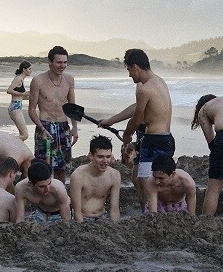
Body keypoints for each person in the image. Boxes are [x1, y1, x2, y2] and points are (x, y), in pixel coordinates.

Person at [98, 49, 174, 212]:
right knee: (138, 178)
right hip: (164, 139)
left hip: (154, 141)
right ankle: (150, 211)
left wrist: (126, 136)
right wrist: (111, 120)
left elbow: (138, 118)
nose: (129, 75)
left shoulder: (144, 88)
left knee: (148, 182)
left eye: (129, 70)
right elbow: (138, 107)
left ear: (135, 67)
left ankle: (152, 214)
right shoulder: (158, 82)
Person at [28, 46, 78, 183]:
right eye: (59, 62)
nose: (62, 66)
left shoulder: (69, 80)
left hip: (63, 125)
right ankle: (43, 199)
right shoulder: (38, 80)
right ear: (50, 62)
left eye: (65, 62)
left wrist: (74, 127)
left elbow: (72, 107)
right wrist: (42, 129)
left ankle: (59, 197)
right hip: (44, 124)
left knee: (62, 167)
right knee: (43, 167)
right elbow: (31, 110)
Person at [69, 136, 121, 222]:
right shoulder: (78, 176)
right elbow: (77, 212)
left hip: (102, 217)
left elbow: (114, 209)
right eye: (100, 157)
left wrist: (117, 228)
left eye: (108, 157)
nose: (105, 161)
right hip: (83, 218)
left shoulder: (115, 175)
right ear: (91, 156)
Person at [14, 159, 72, 224]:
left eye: (49, 183)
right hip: (40, 213)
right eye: (42, 186)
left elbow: (67, 222)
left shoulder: (58, 188)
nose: (47, 189)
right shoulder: (21, 188)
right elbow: (19, 219)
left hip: (58, 214)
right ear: (31, 184)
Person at [6, 61, 32, 140]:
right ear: (24, 70)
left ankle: (18, 151)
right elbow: (9, 90)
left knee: (22, 134)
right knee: (24, 135)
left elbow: (19, 97)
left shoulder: (21, 79)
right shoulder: (18, 79)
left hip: (16, 105)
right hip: (15, 107)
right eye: (29, 69)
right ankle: (7, 143)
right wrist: (23, 94)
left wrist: (32, 97)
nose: (31, 71)